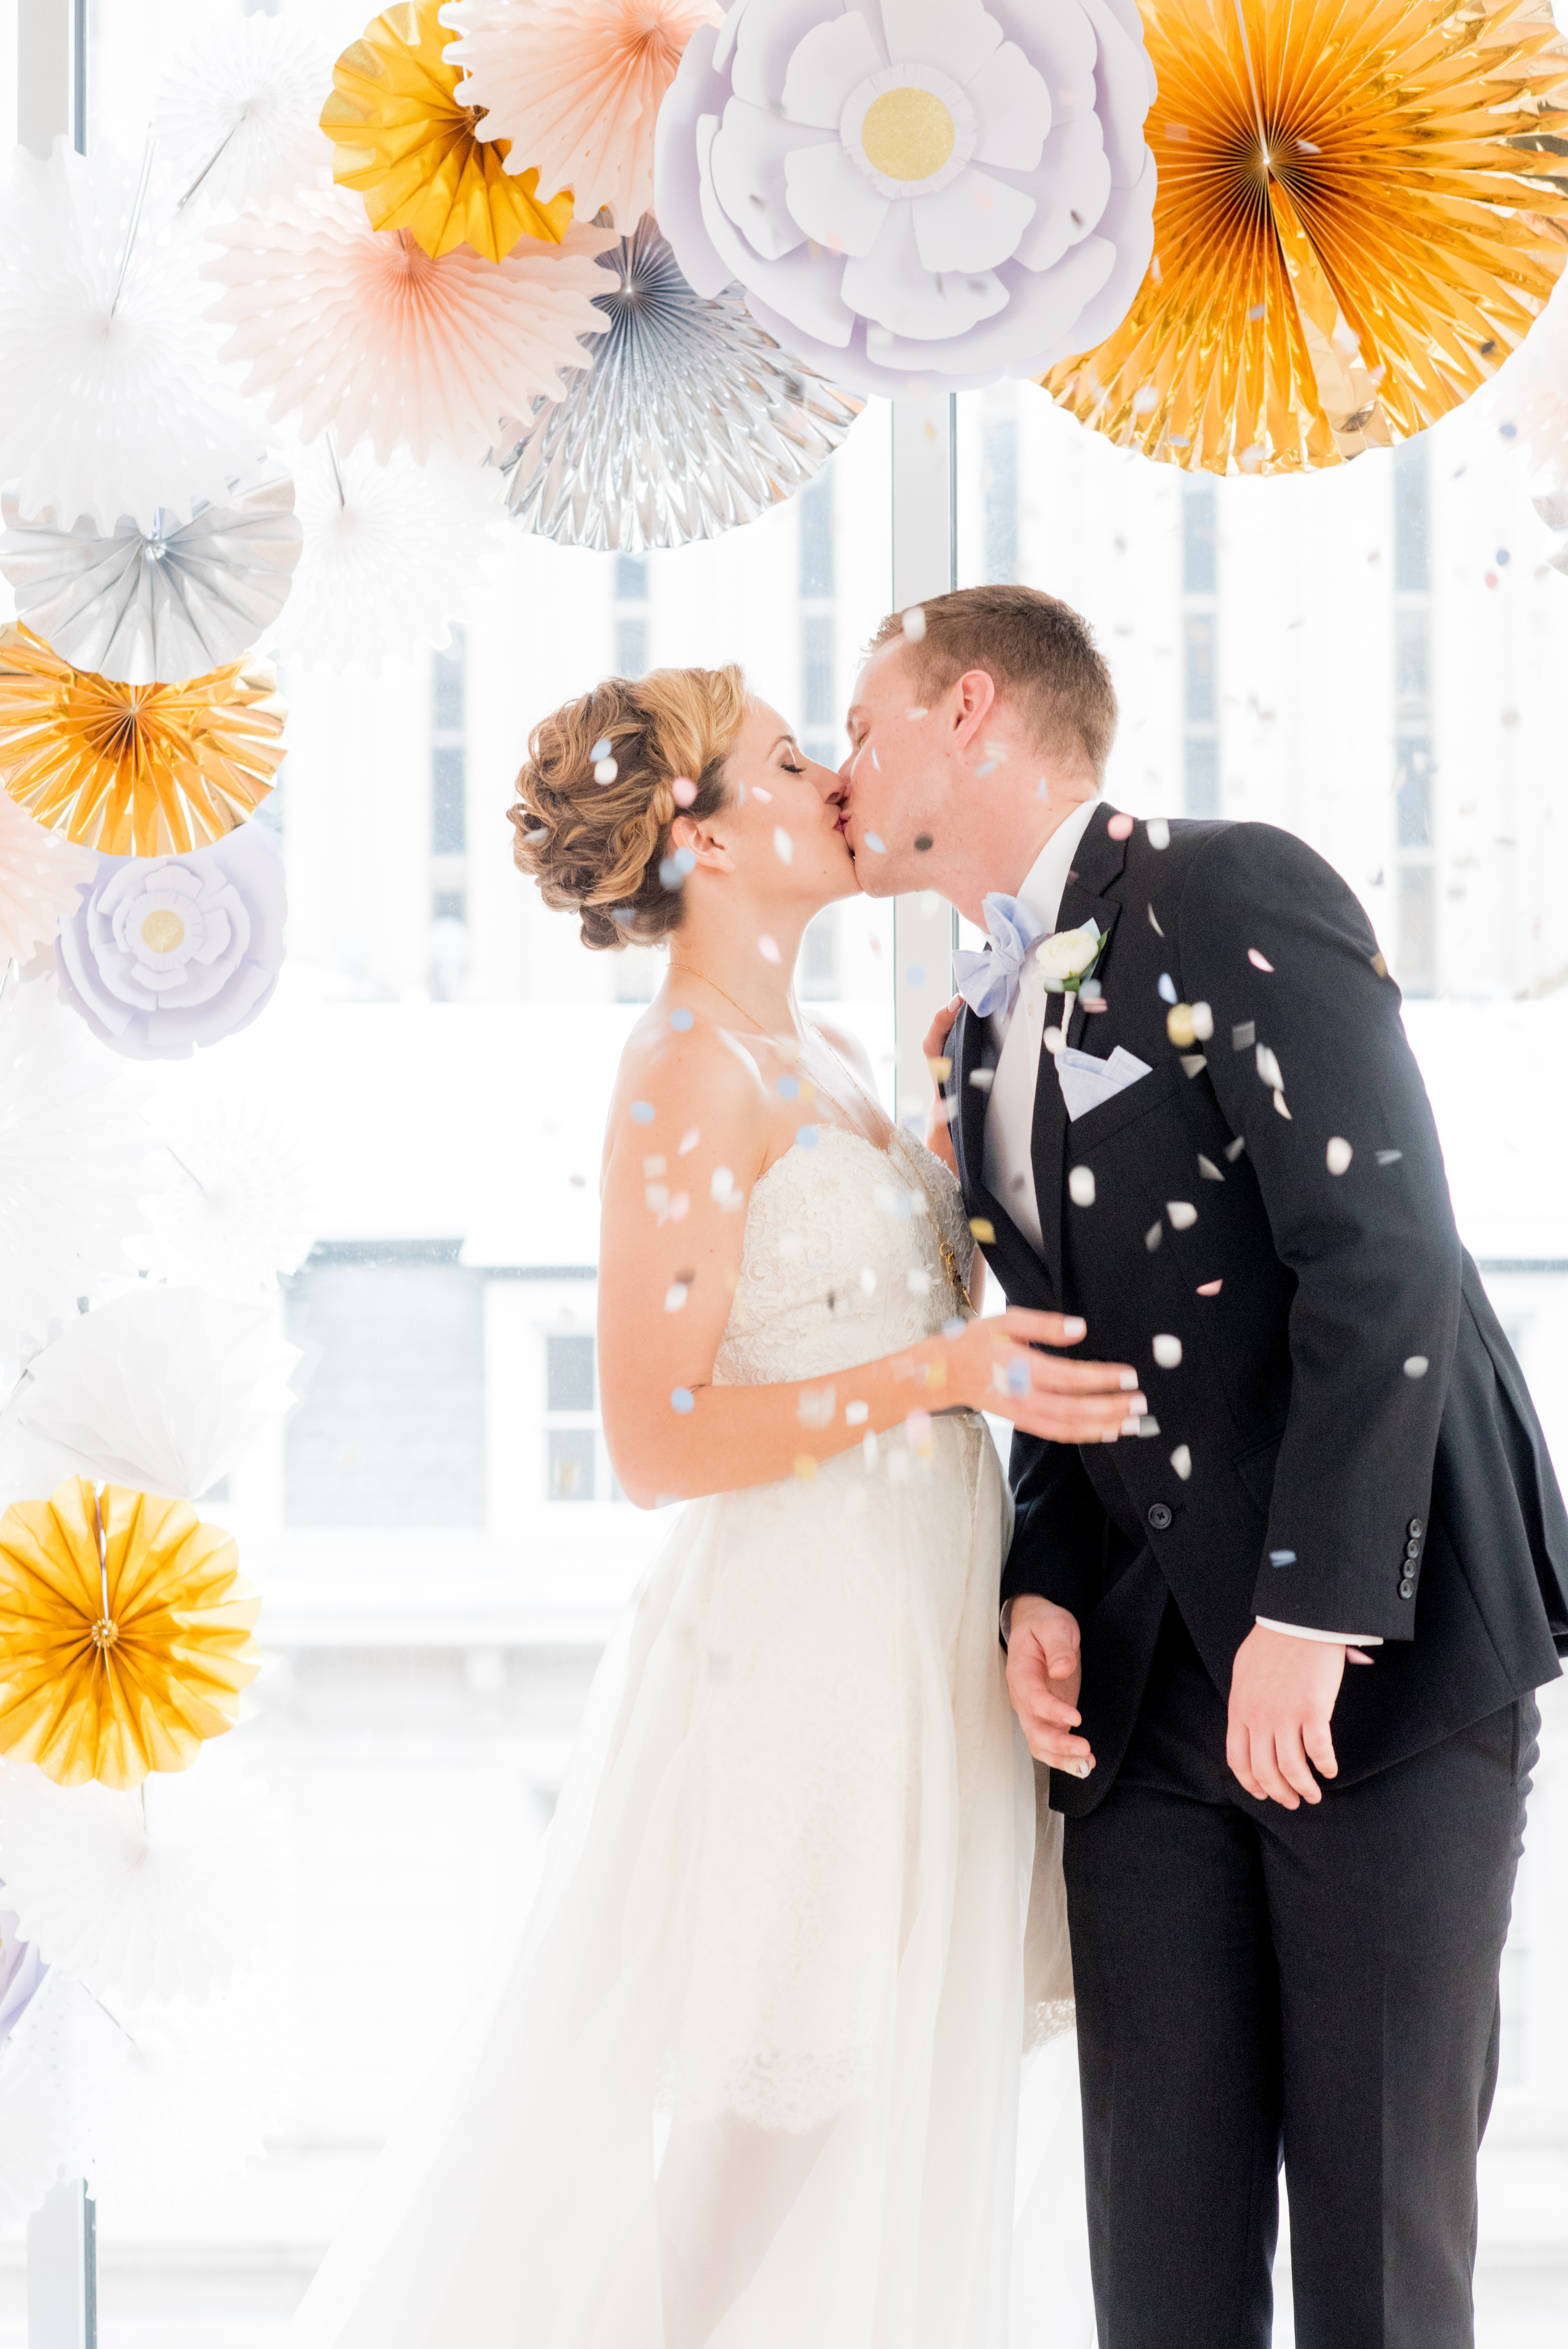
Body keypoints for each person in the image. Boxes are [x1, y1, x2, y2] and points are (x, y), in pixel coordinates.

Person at [286, 660, 1136, 2349]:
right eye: (786, 757)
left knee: (865, 2120)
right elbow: (656, 1438)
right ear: (701, 832)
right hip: (807, 1659)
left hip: (909, 1632)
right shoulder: (685, 1071)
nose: (830, 775)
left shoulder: (816, 1049)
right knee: (769, 2141)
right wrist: (940, 1373)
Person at [836, 582, 1568, 2349]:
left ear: (974, 711)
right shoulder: (982, 1021)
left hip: (1384, 1661)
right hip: (1150, 1690)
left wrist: (1318, 1610)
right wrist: (1040, 1574)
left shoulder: (1233, 886)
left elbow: (1383, 1250)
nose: (843, 765)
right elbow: (1069, 1347)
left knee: (1380, 2270)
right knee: (1156, 2257)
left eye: (865, 724)